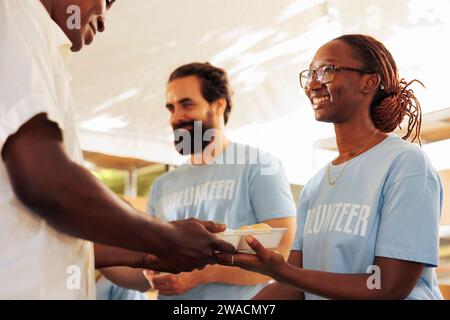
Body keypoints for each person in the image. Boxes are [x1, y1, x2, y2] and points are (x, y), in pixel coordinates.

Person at [0, 0, 234, 299]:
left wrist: (150, 252)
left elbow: (56, 231)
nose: (103, 20)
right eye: (106, 0)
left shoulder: (39, 46)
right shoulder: (16, 11)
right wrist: (168, 239)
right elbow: (47, 183)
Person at [217, 34, 443, 300]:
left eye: (327, 71)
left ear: (369, 82)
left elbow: (387, 286)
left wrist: (282, 271)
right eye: (310, 73)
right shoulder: (315, 185)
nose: (312, 84)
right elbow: (296, 287)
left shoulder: (406, 164)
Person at [144, 62, 297, 300]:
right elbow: (152, 254)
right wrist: (149, 269)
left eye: (187, 104)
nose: (175, 117)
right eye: (171, 108)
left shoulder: (259, 166)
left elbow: (283, 254)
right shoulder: (162, 185)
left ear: (218, 105)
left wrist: (201, 275)